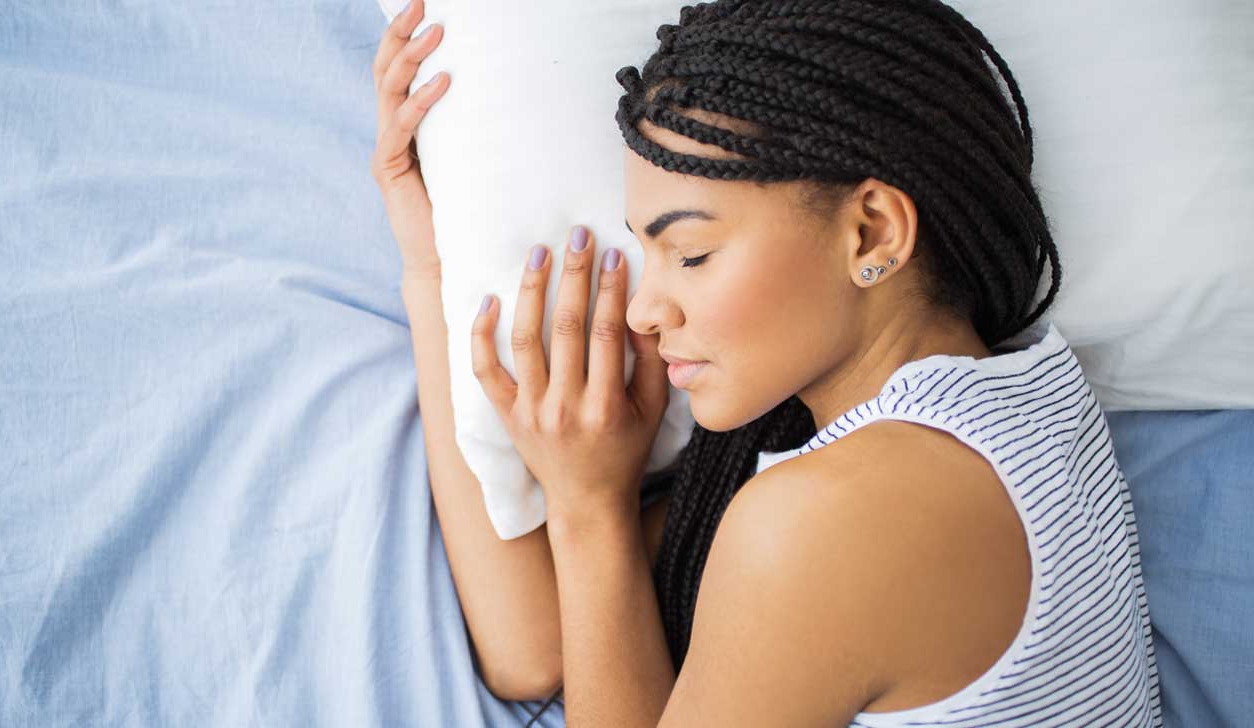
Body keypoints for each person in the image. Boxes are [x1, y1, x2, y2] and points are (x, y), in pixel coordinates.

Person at [371, 0, 1162, 725]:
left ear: (873, 234)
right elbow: (536, 649)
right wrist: (428, 268)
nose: (646, 310)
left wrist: (586, 511)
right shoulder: (1022, 399)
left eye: (692, 251)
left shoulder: (827, 521)